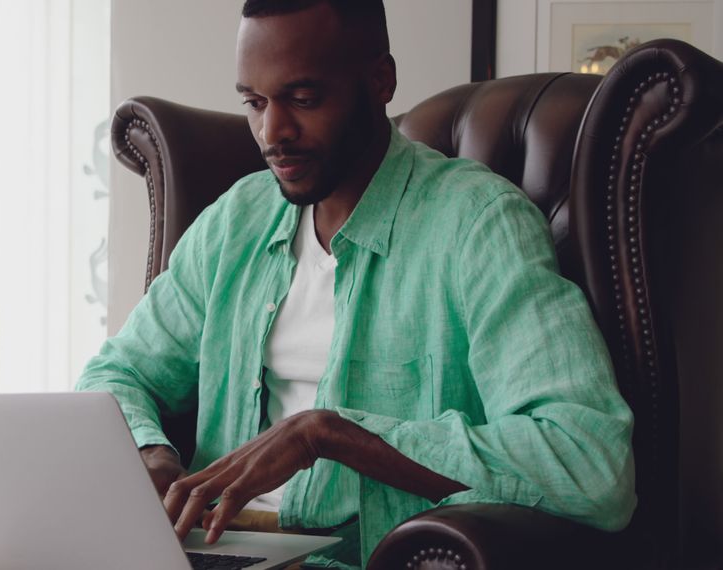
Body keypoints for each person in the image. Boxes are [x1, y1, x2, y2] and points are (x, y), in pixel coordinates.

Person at [77, 0, 636, 566]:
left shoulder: (479, 223)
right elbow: (115, 375)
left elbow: (590, 462)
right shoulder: (237, 219)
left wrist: (331, 434)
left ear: (380, 81)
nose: (273, 133)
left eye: (303, 99)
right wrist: (149, 452)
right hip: (207, 552)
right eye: (253, 102)